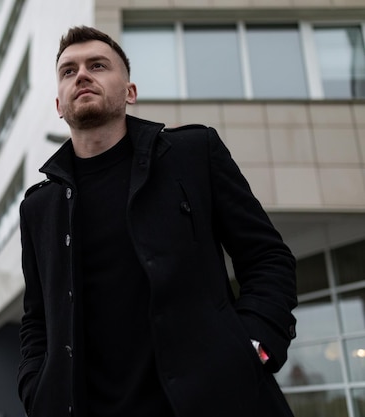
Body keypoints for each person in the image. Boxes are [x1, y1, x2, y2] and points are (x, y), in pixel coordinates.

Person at [17, 25, 297, 417]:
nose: (81, 75)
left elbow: (267, 257)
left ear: (130, 91)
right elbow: (37, 321)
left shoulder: (193, 154)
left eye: (98, 65)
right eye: (68, 71)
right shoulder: (38, 209)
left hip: (216, 403)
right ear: (59, 106)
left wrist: (254, 345)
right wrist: (36, 390)